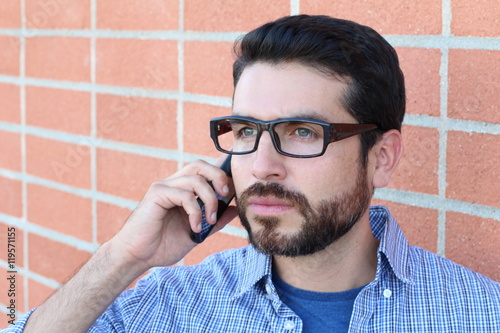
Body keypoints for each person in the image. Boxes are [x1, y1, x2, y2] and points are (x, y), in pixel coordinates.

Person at [4, 15, 499, 333]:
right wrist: (122, 260)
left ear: (382, 157)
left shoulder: (478, 313)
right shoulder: (173, 305)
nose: (262, 166)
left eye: (303, 132)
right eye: (245, 131)